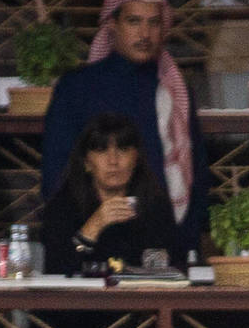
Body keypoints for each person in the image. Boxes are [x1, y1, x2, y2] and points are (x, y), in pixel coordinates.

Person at [40, 0, 211, 257]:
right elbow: (56, 174)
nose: (145, 33)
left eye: (154, 23)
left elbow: (194, 170)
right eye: (134, 21)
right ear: (112, 24)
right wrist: (75, 234)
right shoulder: (77, 87)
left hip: (163, 241)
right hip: (92, 241)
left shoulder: (173, 89)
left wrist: (190, 239)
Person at [40, 113, 179, 276]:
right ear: (86, 162)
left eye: (123, 149)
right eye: (101, 150)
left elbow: (170, 269)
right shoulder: (62, 206)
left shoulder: (155, 204)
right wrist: (93, 226)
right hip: (82, 293)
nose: (113, 161)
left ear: (137, 159)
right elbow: (56, 271)